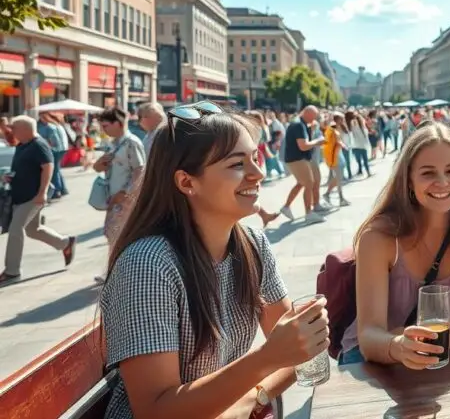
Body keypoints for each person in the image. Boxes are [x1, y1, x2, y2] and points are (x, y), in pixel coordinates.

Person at [99, 104, 328, 419]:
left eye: (256, 158)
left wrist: (255, 396)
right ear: (187, 182)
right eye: (237, 164)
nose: (258, 174)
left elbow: (295, 353)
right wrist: (264, 360)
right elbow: (155, 411)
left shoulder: (252, 243)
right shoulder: (149, 264)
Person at [342, 122, 450, 367]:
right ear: (408, 180)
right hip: (380, 362)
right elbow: (369, 337)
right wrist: (398, 344)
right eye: (428, 173)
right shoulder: (379, 237)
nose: (442, 182)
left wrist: (414, 334)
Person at [0, 116, 76, 284]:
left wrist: (42, 193)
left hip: (33, 196)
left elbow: (48, 167)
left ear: (25, 129)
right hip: (22, 195)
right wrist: (10, 177)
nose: (13, 131)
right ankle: (65, 243)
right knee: (33, 230)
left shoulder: (39, 145)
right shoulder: (22, 145)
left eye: (15, 128)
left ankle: (12, 271)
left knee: (16, 228)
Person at [93, 107, 146, 283]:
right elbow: (98, 168)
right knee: (112, 233)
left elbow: (140, 170)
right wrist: (100, 164)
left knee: (118, 234)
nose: (103, 130)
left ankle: (116, 271)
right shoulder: (113, 143)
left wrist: (127, 195)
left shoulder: (131, 142)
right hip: (113, 196)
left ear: (119, 123)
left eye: (106, 125)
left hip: (124, 199)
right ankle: (114, 269)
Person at [279, 106, 325, 223]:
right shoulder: (299, 125)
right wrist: (318, 141)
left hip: (296, 158)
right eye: (314, 116)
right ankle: (308, 213)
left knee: (301, 183)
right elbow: (303, 145)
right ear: (308, 114)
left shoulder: (300, 124)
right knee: (309, 183)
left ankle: (286, 207)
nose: (315, 119)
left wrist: (311, 130)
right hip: (297, 159)